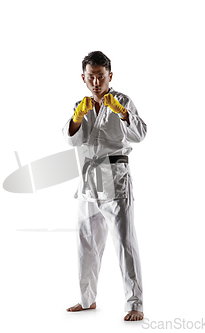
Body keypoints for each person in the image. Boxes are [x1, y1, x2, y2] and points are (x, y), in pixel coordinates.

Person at [62, 51, 147, 321]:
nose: (96, 82)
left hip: (116, 177)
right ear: (83, 78)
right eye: (91, 77)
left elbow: (140, 134)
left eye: (100, 77)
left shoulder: (122, 101)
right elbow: (73, 140)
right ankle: (86, 299)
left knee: (124, 242)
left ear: (110, 76)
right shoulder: (82, 104)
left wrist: (122, 113)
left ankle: (135, 303)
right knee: (85, 241)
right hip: (89, 180)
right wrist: (77, 117)